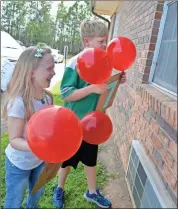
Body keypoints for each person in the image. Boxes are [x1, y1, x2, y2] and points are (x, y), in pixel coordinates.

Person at [52, 19, 126, 208]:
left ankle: (92, 192)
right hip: (74, 124)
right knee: (67, 161)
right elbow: (66, 94)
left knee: (90, 159)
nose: (105, 44)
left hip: (92, 124)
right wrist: (91, 89)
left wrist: (116, 81)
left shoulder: (103, 63)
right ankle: (59, 189)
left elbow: (104, 88)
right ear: (87, 42)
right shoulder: (74, 63)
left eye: (105, 40)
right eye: (101, 40)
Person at [2, 46, 55, 208]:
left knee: (37, 193)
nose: (53, 72)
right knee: (14, 201)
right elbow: (14, 140)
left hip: (40, 161)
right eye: (49, 68)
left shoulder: (48, 98)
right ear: (31, 72)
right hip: (19, 164)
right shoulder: (19, 103)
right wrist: (39, 146)